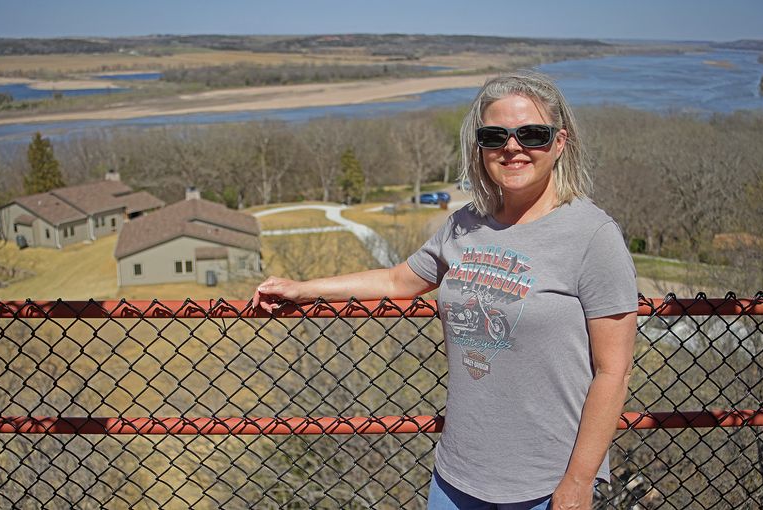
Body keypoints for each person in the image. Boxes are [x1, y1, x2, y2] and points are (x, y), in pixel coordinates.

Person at [253, 71, 638, 510]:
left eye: (532, 134)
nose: (512, 147)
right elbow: (400, 280)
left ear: (559, 141)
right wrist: (303, 290)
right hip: (456, 479)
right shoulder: (466, 224)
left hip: (545, 486)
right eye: (495, 136)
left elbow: (614, 371)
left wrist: (578, 482)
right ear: (481, 147)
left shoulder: (592, 235)